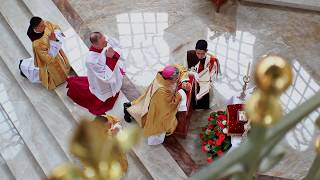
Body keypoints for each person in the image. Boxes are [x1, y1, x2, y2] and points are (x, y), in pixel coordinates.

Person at [124, 65, 191, 145]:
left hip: (154, 98)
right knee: (152, 115)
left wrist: (183, 82)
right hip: (158, 100)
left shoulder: (169, 72)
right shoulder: (162, 90)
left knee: (142, 107)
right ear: (169, 79)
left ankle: (129, 107)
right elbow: (168, 105)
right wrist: (182, 91)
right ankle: (128, 111)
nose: (178, 80)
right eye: (176, 79)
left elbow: (181, 69)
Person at [66, 32, 125, 115]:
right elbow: (105, 77)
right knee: (103, 91)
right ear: (95, 45)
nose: (106, 43)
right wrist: (110, 59)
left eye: (105, 40)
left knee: (117, 79)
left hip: (111, 70)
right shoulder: (91, 60)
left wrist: (114, 54)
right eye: (103, 43)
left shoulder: (104, 40)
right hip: (101, 79)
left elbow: (117, 46)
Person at [26, 16, 70, 90]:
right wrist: (53, 42)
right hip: (51, 63)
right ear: (36, 28)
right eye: (42, 26)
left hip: (57, 53)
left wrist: (56, 33)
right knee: (59, 76)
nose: (45, 25)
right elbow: (48, 59)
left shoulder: (45, 23)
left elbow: (55, 27)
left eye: (43, 22)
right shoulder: (37, 44)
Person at [186, 40, 220, 109]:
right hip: (193, 82)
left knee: (203, 102)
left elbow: (212, 77)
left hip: (205, 84)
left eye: (202, 53)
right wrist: (192, 73)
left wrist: (205, 85)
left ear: (206, 51)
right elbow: (184, 70)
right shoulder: (189, 55)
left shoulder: (212, 60)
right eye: (198, 53)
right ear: (195, 50)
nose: (200, 56)